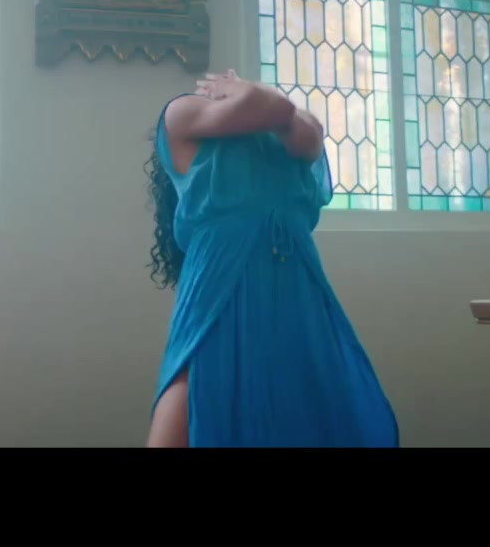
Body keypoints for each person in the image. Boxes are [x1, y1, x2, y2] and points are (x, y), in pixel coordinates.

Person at [144, 69, 400, 447]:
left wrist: (246, 93)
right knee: (199, 374)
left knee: (307, 384)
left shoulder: (291, 123)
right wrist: (241, 91)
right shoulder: (181, 112)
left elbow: (300, 130)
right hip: (220, 269)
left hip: (294, 271)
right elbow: (272, 107)